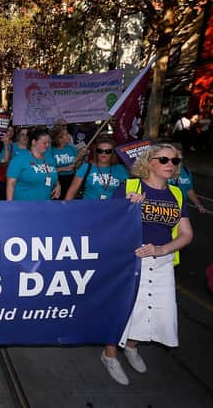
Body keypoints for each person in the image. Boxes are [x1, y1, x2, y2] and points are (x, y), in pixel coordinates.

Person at [101, 143, 193, 386]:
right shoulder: (130, 187)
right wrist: (127, 208)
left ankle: (132, 346)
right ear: (149, 162)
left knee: (152, 310)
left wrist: (162, 249)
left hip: (161, 263)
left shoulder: (176, 194)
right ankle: (109, 355)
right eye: (164, 160)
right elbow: (106, 223)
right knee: (122, 309)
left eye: (175, 161)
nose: (171, 165)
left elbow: (186, 234)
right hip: (130, 261)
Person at [6, 128, 60, 201]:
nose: (47, 145)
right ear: (34, 142)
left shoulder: (49, 157)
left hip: (46, 204)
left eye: (48, 143)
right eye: (44, 143)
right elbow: (11, 184)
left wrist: (57, 184)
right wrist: (10, 205)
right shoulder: (19, 159)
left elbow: (53, 174)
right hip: (24, 205)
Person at [50, 125, 78, 199]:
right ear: (59, 138)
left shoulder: (72, 148)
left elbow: (77, 165)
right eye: (66, 134)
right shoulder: (50, 150)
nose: (69, 136)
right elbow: (48, 169)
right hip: (57, 180)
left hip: (71, 179)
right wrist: (63, 169)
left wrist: (81, 157)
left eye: (67, 133)